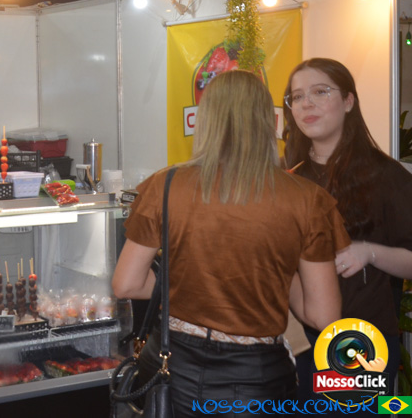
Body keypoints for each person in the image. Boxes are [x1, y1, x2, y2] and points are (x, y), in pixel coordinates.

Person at [112, 70, 345, 416]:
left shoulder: (166, 185)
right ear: (268, 122)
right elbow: (323, 315)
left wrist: (192, 282)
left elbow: (127, 284)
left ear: (205, 121)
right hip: (256, 380)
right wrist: (276, 270)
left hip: (172, 370)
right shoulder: (307, 199)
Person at [283, 57, 412, 395]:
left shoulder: (387, 176)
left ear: (349, 101)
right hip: (295, 342)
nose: (306, 103)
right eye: (297, 96)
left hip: (361, 343)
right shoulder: (288, 179)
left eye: (320, 92)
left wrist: (369, 252)